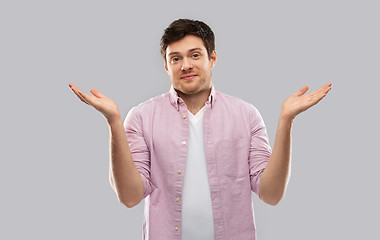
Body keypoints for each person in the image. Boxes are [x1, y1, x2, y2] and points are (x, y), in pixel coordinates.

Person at [69, 19, 332, 240]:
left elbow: (271, 194)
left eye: (195, 55)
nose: (185, 65)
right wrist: (114, 120)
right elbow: (129, 197)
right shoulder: (140, 116)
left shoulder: (246, 114)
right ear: (166, 65)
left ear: (212, 58)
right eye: (176, 58)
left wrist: (286, 120)